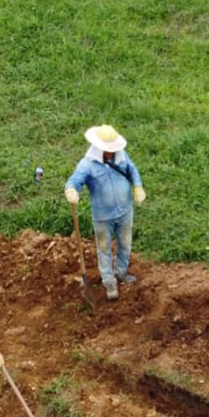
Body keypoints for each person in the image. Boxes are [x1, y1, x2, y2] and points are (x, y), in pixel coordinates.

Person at [64, 124, 145, 301]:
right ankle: (109, 281)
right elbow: (74, 180)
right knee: (104, 248)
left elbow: (132, 169)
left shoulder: (121, 156)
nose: (111, 152)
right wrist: (71, 190)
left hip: (124, 211)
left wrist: (137, 186)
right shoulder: (88, 164)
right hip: (103, 216)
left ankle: (121, 272)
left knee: (125, 243)